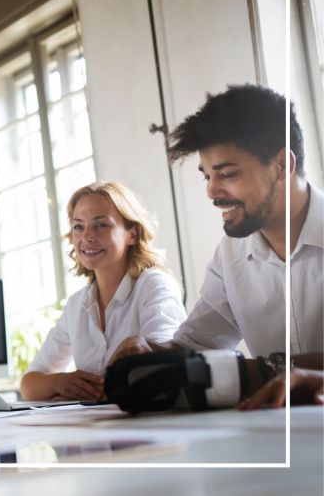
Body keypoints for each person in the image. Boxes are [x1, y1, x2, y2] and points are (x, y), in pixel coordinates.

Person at [111, 85, 323, 405]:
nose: (212, 191)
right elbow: (197, 343)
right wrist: (149, 348)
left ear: (282, 164)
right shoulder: (231, 253)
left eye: (226, 173)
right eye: (206, 176)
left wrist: (268, 370)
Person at [20, 181, 186, 401]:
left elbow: (164, 369)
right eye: (78, 226)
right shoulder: (77, 305)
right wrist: (61, 382)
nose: (87, 237)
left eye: (101, 225)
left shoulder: (154, 286)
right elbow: (29, 385)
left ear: (132, 234)